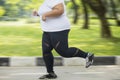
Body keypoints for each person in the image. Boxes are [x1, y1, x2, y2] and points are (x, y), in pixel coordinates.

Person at [33, 0, 94, 79]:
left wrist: (45, 14)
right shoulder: (46, 1)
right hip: (48, 30)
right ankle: (51, 73)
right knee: (46, 51)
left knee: (64, 52)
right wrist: (38, 14)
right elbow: (48, 12)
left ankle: (87, 55)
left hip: (58, 29)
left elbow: (60, 10)